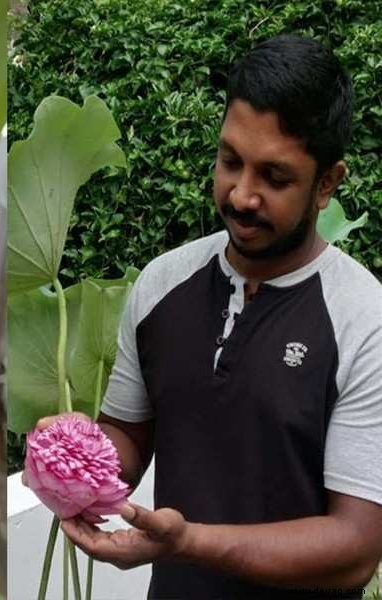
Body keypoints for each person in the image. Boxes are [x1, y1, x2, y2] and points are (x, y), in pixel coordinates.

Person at [39, 34, 382, 599]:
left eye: (274, 178)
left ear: (327, 184)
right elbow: (127, 434)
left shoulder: (362, 320)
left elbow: (355, 548)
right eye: (229, 162)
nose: (241, 195)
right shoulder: (161, 284)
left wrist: (189, 542)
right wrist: (75, 457)